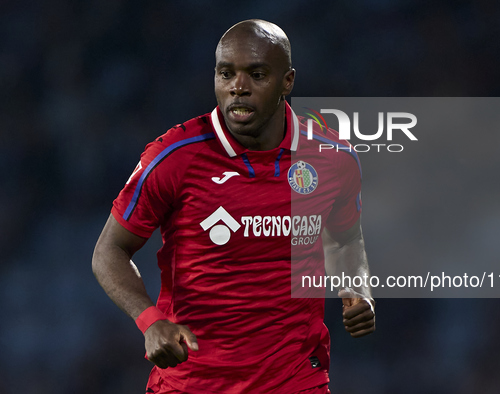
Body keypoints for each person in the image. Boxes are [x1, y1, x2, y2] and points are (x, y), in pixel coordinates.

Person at [92, 19, 375, 394]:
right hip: (192, 381)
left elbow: (345, 240)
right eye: (226, 74)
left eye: (256, 75)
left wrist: (358, 289)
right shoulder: (174, 156)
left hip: (294, 378)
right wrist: (151, 321)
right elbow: (109, 250)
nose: (237, 88)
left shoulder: (334, 158)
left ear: (287, 81)